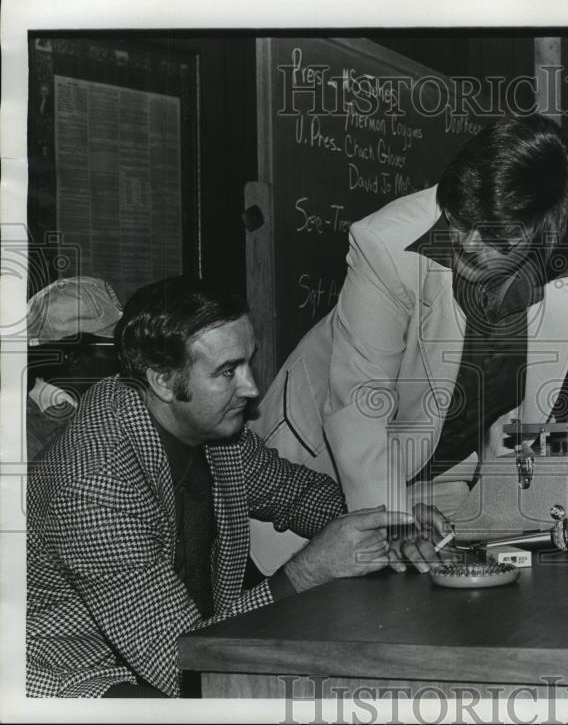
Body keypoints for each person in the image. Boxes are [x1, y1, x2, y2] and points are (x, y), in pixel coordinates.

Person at [249, 113, 568, 575]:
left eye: (495, 239)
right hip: (315, 467)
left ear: (547, 240)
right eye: (458, 224)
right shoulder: (386, 243)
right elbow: (359, 400)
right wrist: (390, 521)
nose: (467, 247)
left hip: (439, 475)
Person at [26, 277, 417, 698]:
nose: (250, 389)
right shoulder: (90, 486)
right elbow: (184, 663)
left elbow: (296, 494)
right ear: (161, 379)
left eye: (248, 363)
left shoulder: (205, 427)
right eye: (227, 371)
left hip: (172, 646)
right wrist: (309, 570)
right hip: (76, 674)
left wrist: (391, 519)